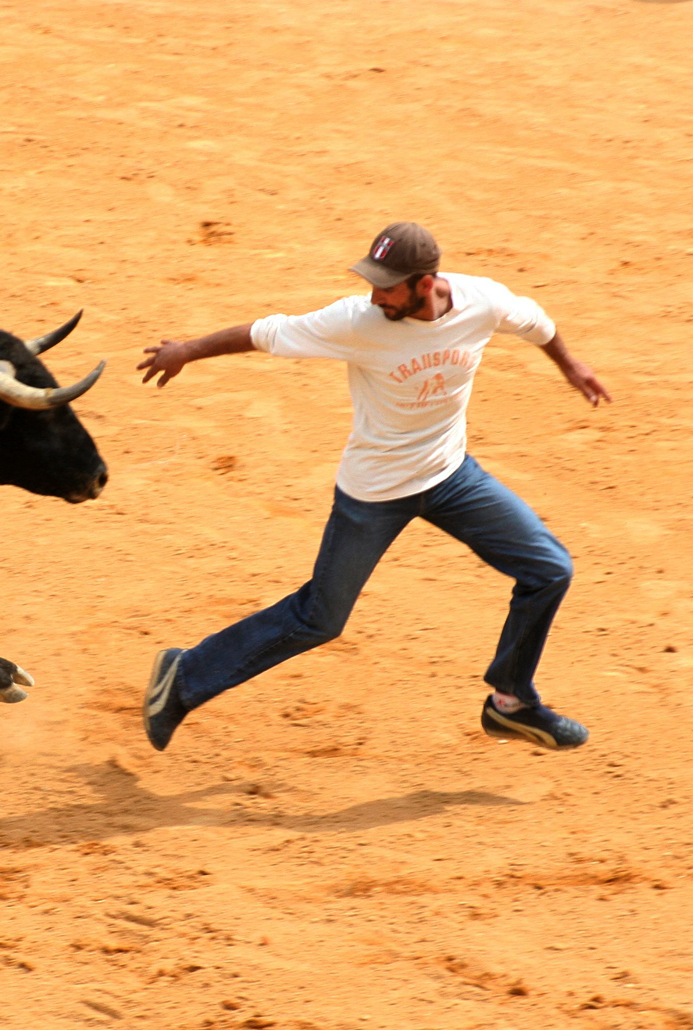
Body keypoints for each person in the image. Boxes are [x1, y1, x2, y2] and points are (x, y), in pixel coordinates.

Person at [136, 222, 610, 753]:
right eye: (373, 280)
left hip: (451, 475)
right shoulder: (357, 321)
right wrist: (187, 350)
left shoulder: (482, 301)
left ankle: (511, 704)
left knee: (549, 569)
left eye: (388, 285)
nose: (375, 293)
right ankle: (183, 677)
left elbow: (536, 323)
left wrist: (571, 365)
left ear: (425, 283)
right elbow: (267, 332)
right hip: (375, 493)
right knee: (320, 618)